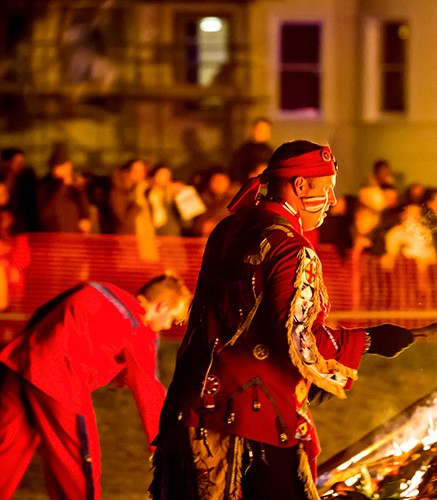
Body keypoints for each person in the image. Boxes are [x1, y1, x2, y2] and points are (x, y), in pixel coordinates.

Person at [150, 140, 414, 499]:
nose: (333, 201)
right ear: (301, 186)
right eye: (328, 188)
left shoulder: (229, 229)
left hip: (193, 404)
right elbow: (299, 340)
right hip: (253, 420)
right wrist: (369, 341)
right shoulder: (291, 248)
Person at [0, 273, 192, 500]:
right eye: (172, 318)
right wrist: (169, 448)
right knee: (78, 464)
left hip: (20, 363)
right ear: (161, 306)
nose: (168, 326)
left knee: (6, 450)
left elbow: (44, 313)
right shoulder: (137, 327)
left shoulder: (94, 289)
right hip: (60, 383)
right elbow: (149, 393)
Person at [228, 117, 274, 184]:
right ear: (253, 130)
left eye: (265, 130)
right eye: (260, 130)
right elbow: (236, 171)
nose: (263, 133)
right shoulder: (243, 151)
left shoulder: (270, 151)